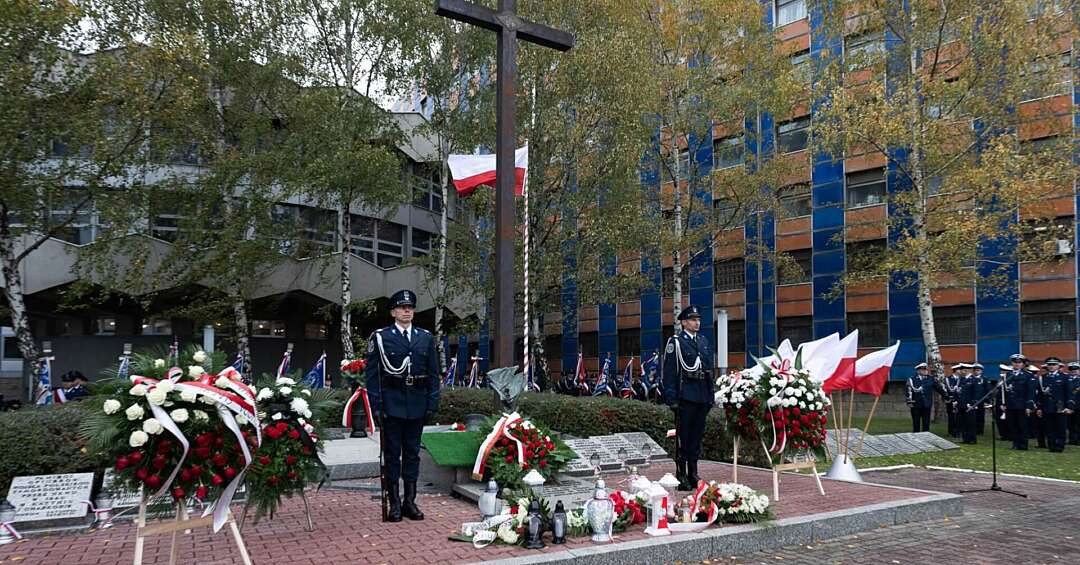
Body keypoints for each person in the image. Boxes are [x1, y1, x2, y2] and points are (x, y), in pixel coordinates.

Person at [365, 289, 440, 522]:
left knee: (412, 454)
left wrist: (432, 402)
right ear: (393, 312)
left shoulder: (425, 337)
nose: (407, 311)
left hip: (417, 402)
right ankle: (394, 503)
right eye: (402, 307)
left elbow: (433, 373)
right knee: (392, 454)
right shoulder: (381, 337)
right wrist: (376, 406)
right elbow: (372, 375)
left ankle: (410, 501)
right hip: (392, 403)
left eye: (410, 307)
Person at [663, 305, 714, 491]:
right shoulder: (676, 342)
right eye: (693, 320)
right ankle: (681, 474)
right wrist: (672, 399)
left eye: (698, 319)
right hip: (685, 395)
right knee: (683, 438)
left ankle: (693, 472)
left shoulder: (703, 341)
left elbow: (708, 371)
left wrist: (710, 395)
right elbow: (670, 373)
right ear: (684, 322)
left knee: (696, 438)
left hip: (701, 395)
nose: (697, 323)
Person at [1038, 357, 1072, 453]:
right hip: (1047, 406)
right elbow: (1040, 394)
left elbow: (1069, 393)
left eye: (1054, 364)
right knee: (1049, 427)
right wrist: (1039, 407)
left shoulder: (1064, 377)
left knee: (1061, 427)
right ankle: (1051, 445)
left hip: (1060, 406)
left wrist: (1069, 406)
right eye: (1049, 365)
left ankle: (1060, 446)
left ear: (1058, 366)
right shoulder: (1042, 378)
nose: (1051, 366)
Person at [1001, 354, 1035, 450]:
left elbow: (1030, 392)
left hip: (1022, 405)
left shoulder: (1028, 375)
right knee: (1013, 425)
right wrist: (1003, 404)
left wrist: (1029, 406)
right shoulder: (1007, 375)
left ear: (1023, 364)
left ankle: (1023, 444)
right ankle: (1015, 444)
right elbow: (1004, 391)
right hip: (1010, 404)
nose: (1017, 364)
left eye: (1019, 362)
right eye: (1015, 362)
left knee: (1022, 425)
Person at [906, 363, 934, 432]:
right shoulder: (912, 379)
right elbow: (908, 391)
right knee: (916, 422)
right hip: (916, 404)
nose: (925, 371)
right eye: (923, 369)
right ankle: (916, 435)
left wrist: (946, 397)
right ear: (918, 371)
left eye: (926, 369)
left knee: (926, 422)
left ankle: (926, 435)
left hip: (927, 404)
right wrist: (909, 401)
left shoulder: (930, 378)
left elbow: (938, 388)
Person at [938, 365, 962, 438]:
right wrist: (947, 398)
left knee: (959, 416)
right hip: (950, 400)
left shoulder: (961, 379)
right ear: (955, 370)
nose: (960, 371)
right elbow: (945, 390)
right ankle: (951, 431)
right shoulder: (948, 379)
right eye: (959, 369)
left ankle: (958, 431)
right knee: (951, 416)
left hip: (959, 401)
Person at [958, 363, 980, 444]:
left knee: (971, 422)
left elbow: (977, 393)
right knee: (963, 422)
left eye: (962, 370)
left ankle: (972, 439)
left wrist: (972, 403)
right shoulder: (962, 379)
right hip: (962, 404)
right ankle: (965, 438)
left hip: (970, 405)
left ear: (966, 370)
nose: (961, 371)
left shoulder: (974, 379)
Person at [1031, 364, 1048, 448]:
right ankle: (1041, 443)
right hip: (1039, 405)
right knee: (1039, 425)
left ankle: (1050, 442)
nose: (1044, 372)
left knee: (1049, 426)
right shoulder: (1039, 380)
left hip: (1049, 406)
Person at [971, 363, 989, 435]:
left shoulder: (984, 379)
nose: (976, 372)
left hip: (981, 400)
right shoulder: (970, 378)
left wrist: (987, 401)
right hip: (972, 400)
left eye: (978, 370)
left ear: (981, 371)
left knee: (981, 416)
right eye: (975, 370)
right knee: (973, 416)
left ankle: (980, 431)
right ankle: (973, 430)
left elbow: (987, 390)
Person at [1068, 362, 1080, 446]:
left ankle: (1079, 440)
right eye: (1072, 369)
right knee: (1070, 424)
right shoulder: (1067, 379)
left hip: (1079, 404)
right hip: (1070, 405)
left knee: (1079, 423)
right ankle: (1072, 439)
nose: (1074, 371)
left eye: (1076, 369)